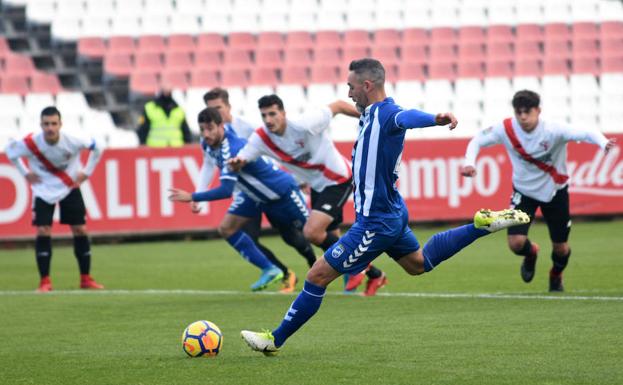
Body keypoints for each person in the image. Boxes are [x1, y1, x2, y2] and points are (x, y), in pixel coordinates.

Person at [238, 58, 530, 355]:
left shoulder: (386, 112)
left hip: (375, 222)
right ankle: (479, 226)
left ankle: (274, 339)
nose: (349, 93)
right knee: (418, 264)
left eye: (351, 86)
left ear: (367, 85)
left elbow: (406, 117)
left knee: (317, 275)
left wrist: (436, 118)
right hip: (390, 212)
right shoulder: (367, 114)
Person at [227, 94, 388, 296]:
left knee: (312, 232)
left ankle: (358, 267)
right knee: (330, 237)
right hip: (317, 186)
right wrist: (237, 162)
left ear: (283, 113)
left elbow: (337, 105)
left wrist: (371, 116)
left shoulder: (304, 125)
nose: (268, 120)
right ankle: (374, 274)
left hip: (339, 179)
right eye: (264, 115)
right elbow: (244, 155)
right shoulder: (261, 138)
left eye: (273, 114)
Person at [461, 90, 617, 292]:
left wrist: (603, 142)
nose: (523, 117)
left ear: (538, 111)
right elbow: (477, 141)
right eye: (519, 112)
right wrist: (469, 162)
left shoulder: (554, 130)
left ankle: (556, 274)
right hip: (523, 192)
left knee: (561, 248)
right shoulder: (506, 128)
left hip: (555, 192)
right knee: (516, 243)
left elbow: (585, 132)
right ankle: (531, 252)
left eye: (528, 111)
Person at [168, 107, 314, 292]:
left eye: (210, 128)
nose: (206, 134)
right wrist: (199, 191)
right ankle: (270, 268)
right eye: (202, 129)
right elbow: (208, 164)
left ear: (222, 125)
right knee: (227, 228)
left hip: (280, 192)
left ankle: (351, 264)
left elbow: (227, 190)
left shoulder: (232, 147)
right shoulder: (208, 143)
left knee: (312, 232)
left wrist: (193, 196)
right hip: (252, 195)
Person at [203, 88, 318, 292]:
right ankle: (283, 272)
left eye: (218, 108)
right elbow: (208, 164)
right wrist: (200, 192)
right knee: (249, 238)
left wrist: (296, 178)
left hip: (269, 189)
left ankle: (313, 262)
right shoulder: (210, 136)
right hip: (246, 195)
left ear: (228, 107)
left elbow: (271, 153)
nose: (215, 113)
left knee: (292, 236)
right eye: (210, 109)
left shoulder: (246, 128)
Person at [4, 106, 105, 292]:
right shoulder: (31, 143)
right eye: (46, 124)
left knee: (80, 229)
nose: (50, 128)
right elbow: (9, 152)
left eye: (53, 123)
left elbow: (98, 146)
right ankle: (45, 282)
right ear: (41, 125)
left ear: (60, 124)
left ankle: (85, 278)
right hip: (43, 189)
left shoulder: (72, 140)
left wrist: (86, 173)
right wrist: (25, 173)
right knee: (43, 230)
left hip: (69, 187)